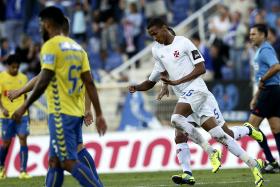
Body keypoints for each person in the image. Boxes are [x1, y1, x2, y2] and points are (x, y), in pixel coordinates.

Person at [130, 18, 264, 187]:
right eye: (151, 36)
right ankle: (253, 164)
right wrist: (137, 87)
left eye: (155, 34)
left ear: (164, 28)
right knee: (215, 135)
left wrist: (178, 82)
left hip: (198, 90)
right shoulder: (157, 50)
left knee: (177, 119)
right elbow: (156, 76)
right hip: (186, 96)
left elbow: (201, 68)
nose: (154, 38)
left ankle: (210, 150)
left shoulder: (183, 43)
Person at [11, 6, 106, 187]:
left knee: (68, 162)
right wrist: (95, 111)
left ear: (48, 24)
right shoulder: (79, 50)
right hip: (74, 111)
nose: (40, 28)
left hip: (60, 113)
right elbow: (90, 83)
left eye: (41, 24)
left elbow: (44, 77)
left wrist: (25, 105)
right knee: (57, 160)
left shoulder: (51, 46)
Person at [249, 23, 280, 173]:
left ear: (263, 35)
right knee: (276, 128)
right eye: (250, 34)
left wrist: (262, 80)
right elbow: (262, 77)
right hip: (271, 91)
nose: (251, 37)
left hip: (270, 91)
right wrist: (256, 96)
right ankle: (273, 163)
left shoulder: (266, 49)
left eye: (254, 34)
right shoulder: (260, 50)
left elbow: (276, 66)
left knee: (251, 126)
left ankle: (271, 162)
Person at [0, 54, 31, 179]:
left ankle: (23, 171)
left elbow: (25, 97)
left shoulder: (23, 78)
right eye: (13, 67)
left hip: (22, 115)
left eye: (17, 67)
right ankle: (1, 167)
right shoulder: (1, 78)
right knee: (6, 142)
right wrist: (3, 109)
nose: (15, 70)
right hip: (6, 116)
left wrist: (25, 111)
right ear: (8, 66)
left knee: (23, 139)